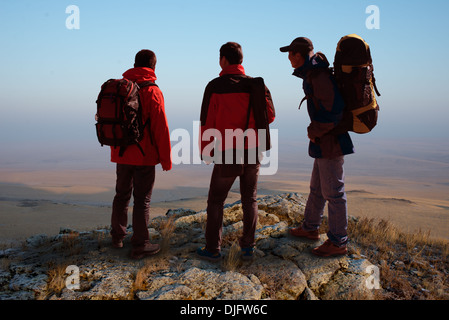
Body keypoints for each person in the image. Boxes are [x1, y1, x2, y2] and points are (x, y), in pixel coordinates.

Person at [198, 42, 275, 261]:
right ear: (241, 61)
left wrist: (206, 151)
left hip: (226, 150)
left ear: (223, 60)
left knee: (215, 201)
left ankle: (213, 249)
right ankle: (248, 248)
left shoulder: (214, 86)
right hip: (253, 148)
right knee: (249, 198)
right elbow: (269, 116)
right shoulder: (257, 85)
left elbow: (207, 122)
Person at [280, 37, 354, 257]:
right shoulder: (314, 74)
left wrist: (314, 131)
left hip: (331, 142)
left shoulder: (319, 76)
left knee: (334, 193)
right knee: (317, 188)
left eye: (290, 54)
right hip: (325, 142)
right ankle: (311, 227)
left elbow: (335, 111)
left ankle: (338, 241)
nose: (288, 58)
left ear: (299, 55)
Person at [110, 49, 172, 259]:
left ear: (135, 64)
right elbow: (160, 128)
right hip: (144, 156)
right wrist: (165, 158)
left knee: (121, 195)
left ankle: (117, 237)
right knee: (142, 199)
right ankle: (140, 244)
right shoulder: (152, 91)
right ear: (153, 67)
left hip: (122, 152)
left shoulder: (122, 87)